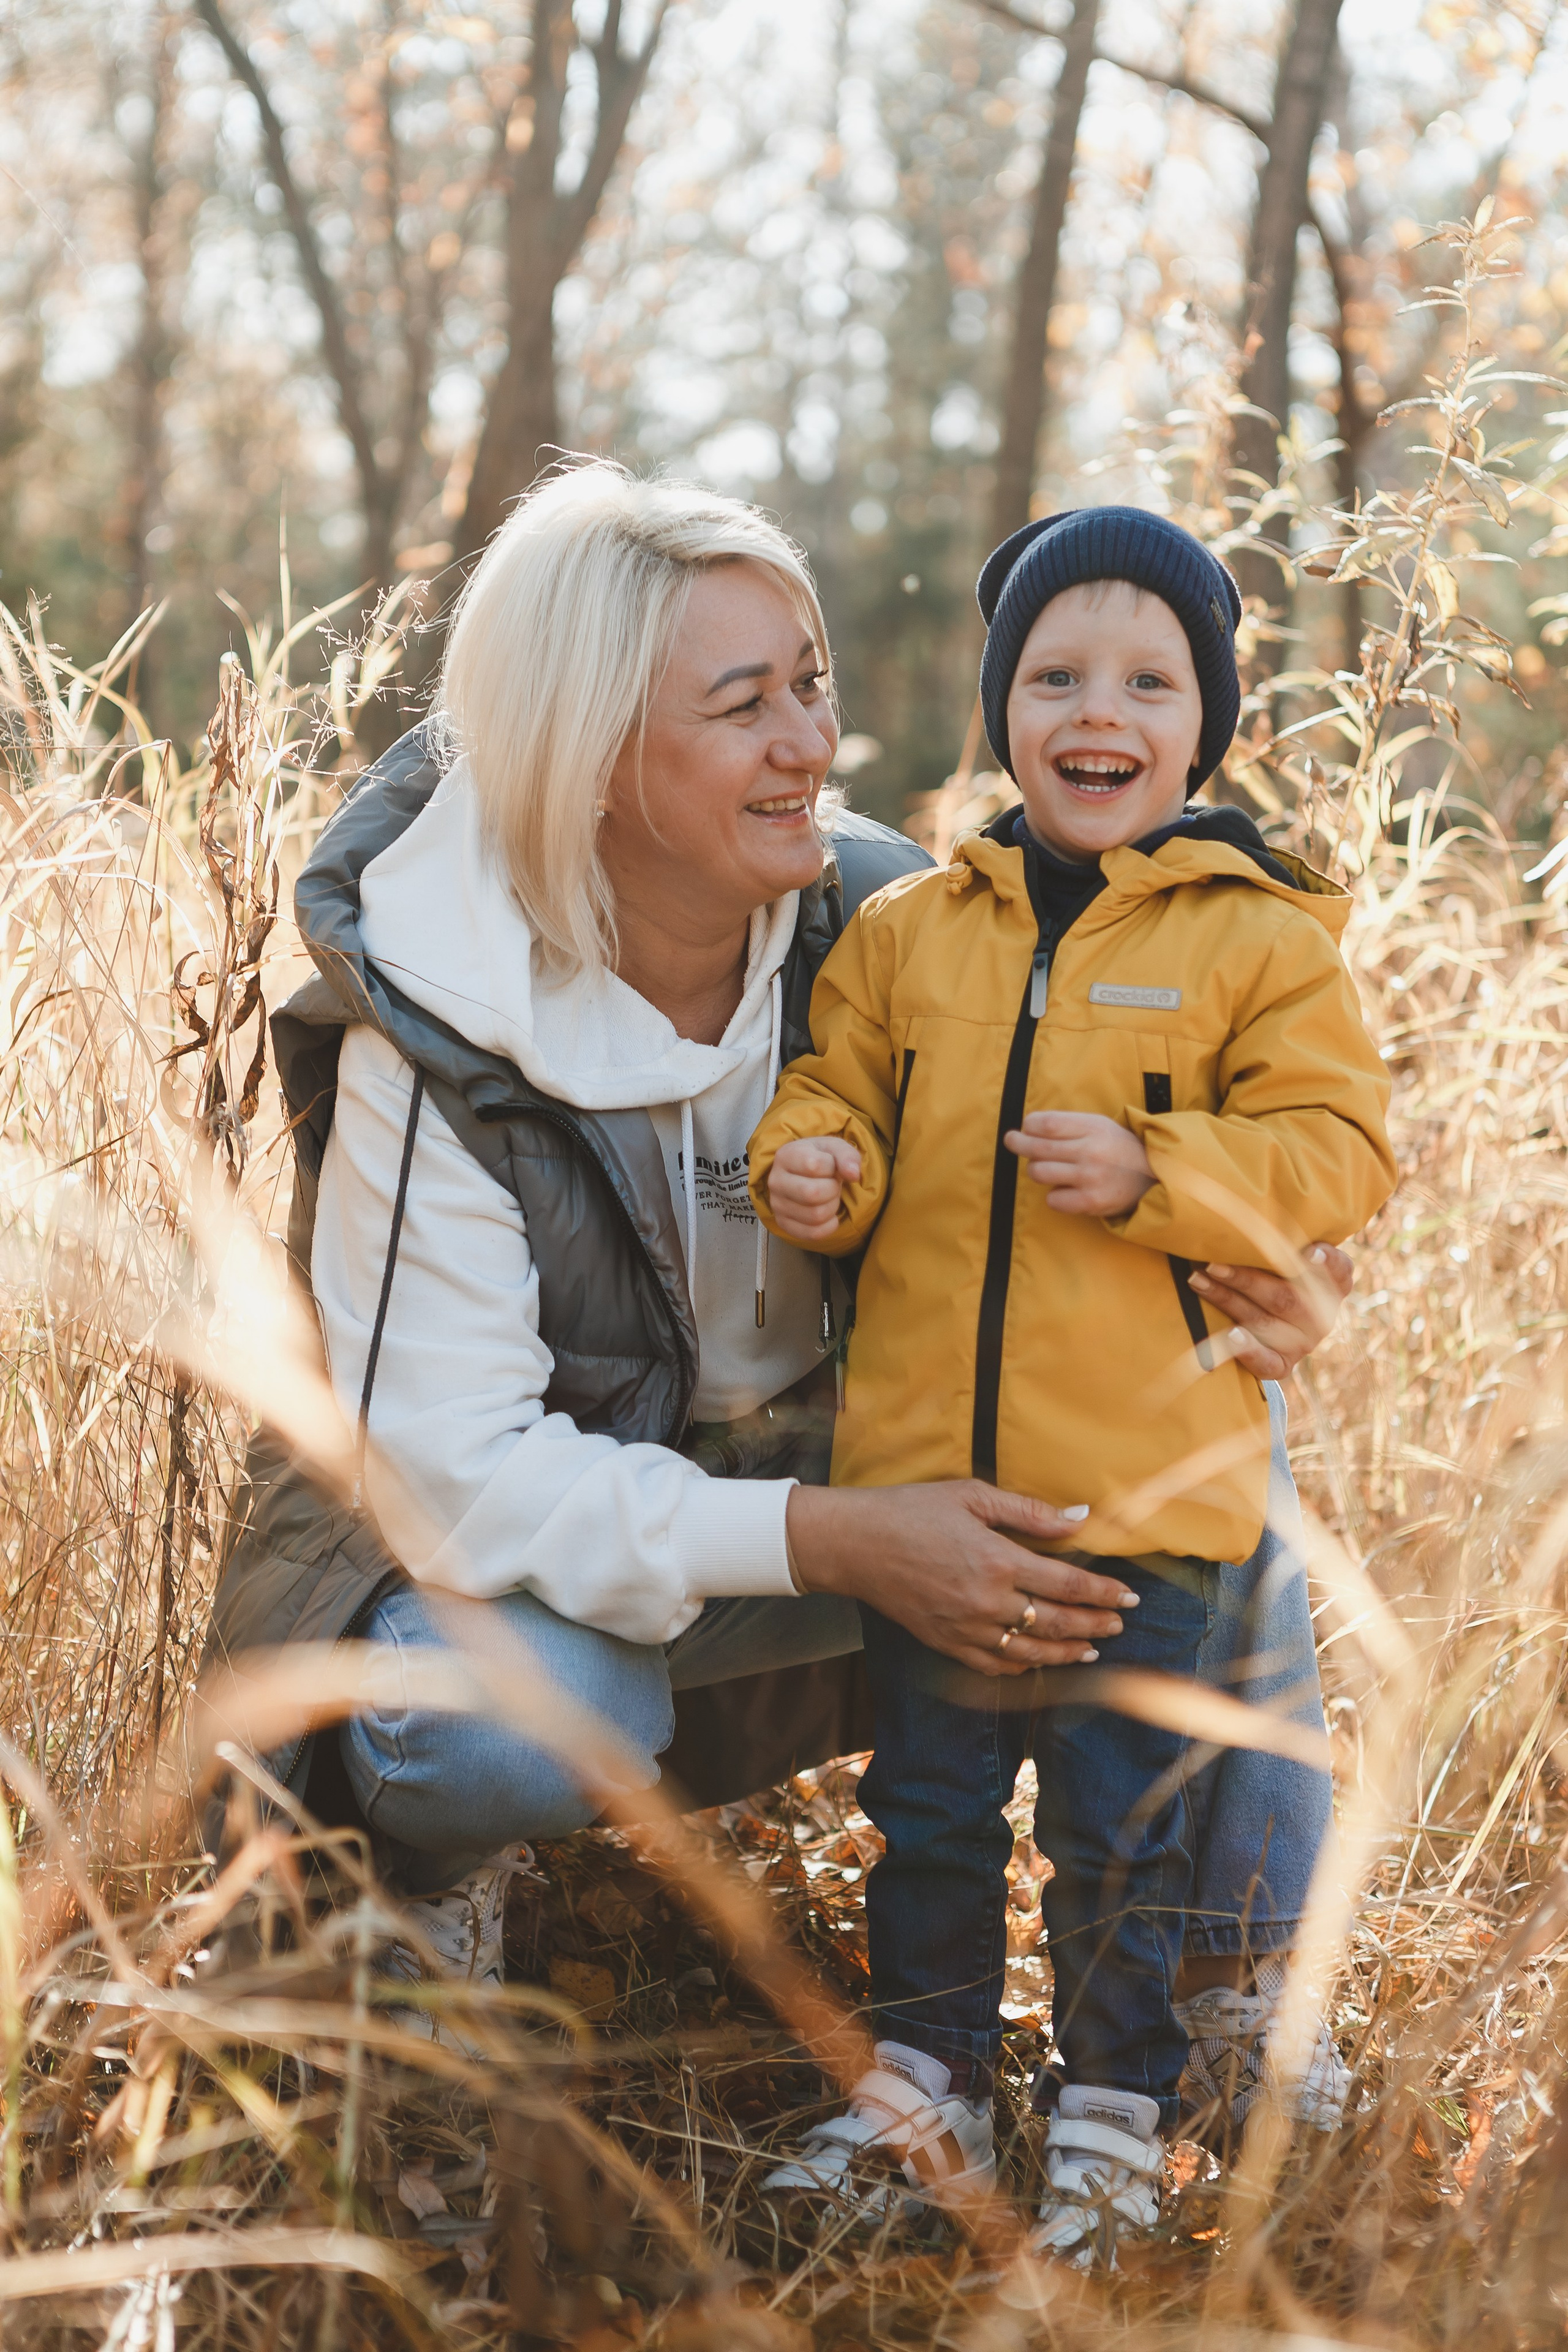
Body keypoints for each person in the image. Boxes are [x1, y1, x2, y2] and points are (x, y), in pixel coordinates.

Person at [204, 462, 1352, 2130]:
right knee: (497, 1731)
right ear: (592, 753)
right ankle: (422, 1897)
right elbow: (446, 1478)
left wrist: (1249, 1277)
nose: (810, 743)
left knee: (1213, 1473)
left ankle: (1238, 1986)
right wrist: (845, 1539)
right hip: (564, 1578)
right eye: (745, 708)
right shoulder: (433, 1026)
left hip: (855, 1504)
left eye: (810, 685)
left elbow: (1173, 1193)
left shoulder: (898, 925)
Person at [747, 507, 1396, 2256]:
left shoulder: (1262, 939)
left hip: (1152, 1499)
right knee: (934, 1816)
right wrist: (814, 1170)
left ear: (1205, 724)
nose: (1095, 710)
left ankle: (1112, 2118)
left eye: (1145, 679)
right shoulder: (911, 934)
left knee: (1124, 1835)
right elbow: (834, 1092)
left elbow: (1340, 1151)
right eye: (1054, 675)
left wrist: (1161, 1172)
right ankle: (925, 2079)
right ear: (999, 707)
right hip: (934, 1491)